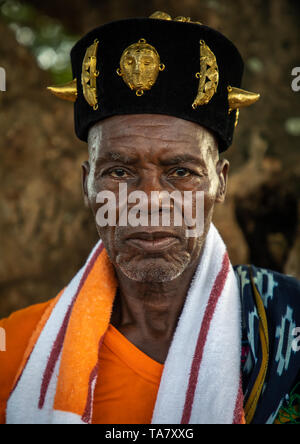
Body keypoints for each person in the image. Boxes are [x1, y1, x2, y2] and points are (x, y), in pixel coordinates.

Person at [0, 11, 299, 425]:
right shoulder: (14, 353)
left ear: (221, 182)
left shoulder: (289, 323)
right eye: (119, 171)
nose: (150, 200)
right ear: (87, 186)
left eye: (180, 172)